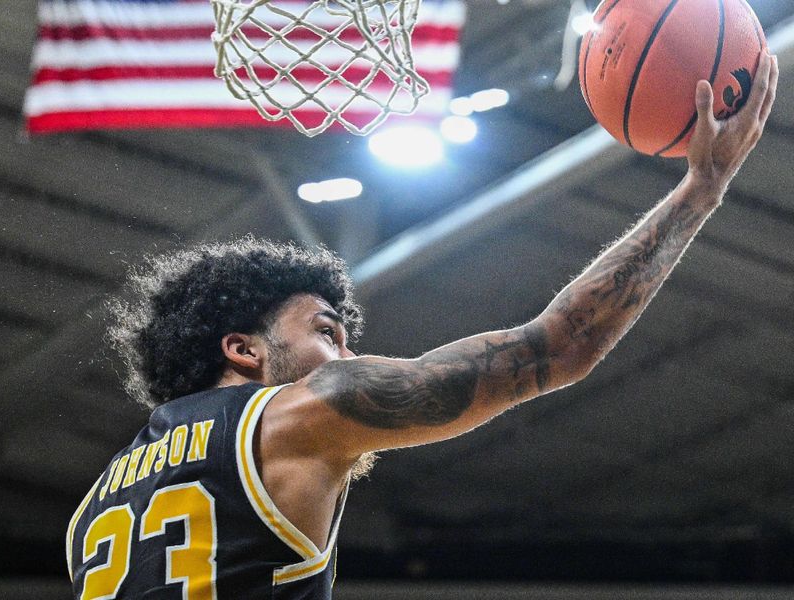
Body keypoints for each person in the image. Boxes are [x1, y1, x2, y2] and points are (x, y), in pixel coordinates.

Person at [66, 52, 778, 599]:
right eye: (325, 330)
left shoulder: (90, 514)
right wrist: (699, 191)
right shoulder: (295, 417)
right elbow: (560, 345)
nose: (346, 352)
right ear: (244, 350)